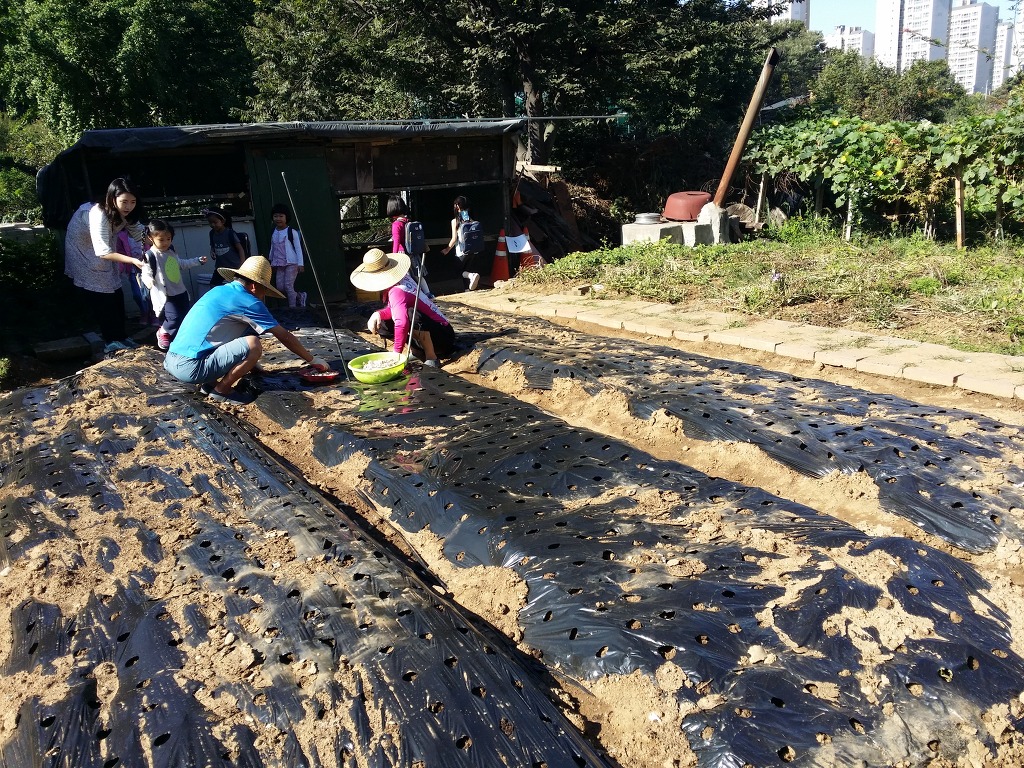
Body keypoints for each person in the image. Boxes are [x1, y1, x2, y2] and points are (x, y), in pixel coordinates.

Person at [163, 255, 329, 404]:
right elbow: (283, 335)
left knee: (242, 334)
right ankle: (222, 390)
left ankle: (209, 383)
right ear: (254, 286)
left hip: (172, 360)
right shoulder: (249, 302)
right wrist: (313, 360)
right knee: (253, 343)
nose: (263, 295)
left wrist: (252, 365)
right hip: (190, 367)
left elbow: (224, 334)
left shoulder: (219, 290)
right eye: (264, 290)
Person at [63, 177, 148, 352]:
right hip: (83, 252)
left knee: (116, 293)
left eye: (132, 202)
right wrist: (133, 260)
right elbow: (103, 252)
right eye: (124, 201)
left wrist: (162, 244)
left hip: (103, 251)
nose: (128, 206)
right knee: (103, 298)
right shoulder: (98, 213)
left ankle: (122, 336)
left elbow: (141, 234)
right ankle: (111, 341)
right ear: (112, 199)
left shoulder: (127, 213)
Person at [351, 248, 455, 369]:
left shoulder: (397, 291)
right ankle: (417, 351)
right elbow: (395, 308)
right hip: (435, 333)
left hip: (443, 337)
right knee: (383, 323)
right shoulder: (401, 280)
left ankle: (431, 357)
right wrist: (378, 314)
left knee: (411, 314)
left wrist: (397, 354)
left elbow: (402, 322)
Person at [140, 219, 207, 351]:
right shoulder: (150, 255)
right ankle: (163, 332)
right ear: (151, 238)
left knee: (185, 316)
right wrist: (149, 281)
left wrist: (197, 261)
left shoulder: (171, 251)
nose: (165, 242)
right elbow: (145, 272)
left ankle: (179, 340)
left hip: (180, 291)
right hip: (166, 295)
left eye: (168, 239)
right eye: (161, 239)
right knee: (173, 318)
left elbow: (180, 264)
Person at [269, 203, 307, 308]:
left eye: (281, 216)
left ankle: (292, 308)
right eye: (275, 216)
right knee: (280, 287)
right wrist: (271, 261)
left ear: (286, 217)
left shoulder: (292, 232)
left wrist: (300, 264)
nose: (278, 219)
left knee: (288, 286)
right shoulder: (273, 232)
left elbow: (298, 249)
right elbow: (273, 247)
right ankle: (300, 296)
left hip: (291, 263)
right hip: (279, 263)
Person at [440, 195, 481, 291]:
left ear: (457, 206)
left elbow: (454, 238)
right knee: (466, 270)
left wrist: (447, 249)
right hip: (474, 250)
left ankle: (472, 276)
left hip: (462, 251)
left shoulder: (455, 221)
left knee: (458, 271)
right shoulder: (472, 220)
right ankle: (467, 290)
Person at [204, 206, 246, 287]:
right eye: (210, 223)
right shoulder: (212, 233)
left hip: (234, 267)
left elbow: (240, 249)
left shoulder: (230, 233)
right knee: (213, 285)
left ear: (223, 221)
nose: (213, 225)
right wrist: (212, 252)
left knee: (238, 287)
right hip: (220, 268)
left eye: (215, 222)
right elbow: (213, 247)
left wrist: (242, 266)